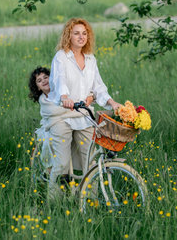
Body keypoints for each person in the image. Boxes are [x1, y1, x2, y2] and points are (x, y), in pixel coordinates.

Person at [47, 17, 122, 191]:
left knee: (91, 162)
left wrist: (112, 102)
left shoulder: (90, 59)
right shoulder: (61, 57)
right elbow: (60, 81)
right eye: (76, 33)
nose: (81, 37)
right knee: (62, 164)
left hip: (83, 115)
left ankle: (90, 202)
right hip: (63, 115)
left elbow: (98, 86)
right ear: (69, 36)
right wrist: (65, 97)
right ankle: (53, 203)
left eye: (84, 33)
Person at [28, 66, 53, 172]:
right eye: (39, 80)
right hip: (49, 127)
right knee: (48, 143)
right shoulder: (43, 99)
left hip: (62, 122)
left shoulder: (59, 92)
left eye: (45, 77)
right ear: (38, 87)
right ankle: (48, 170)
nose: (43, 81)